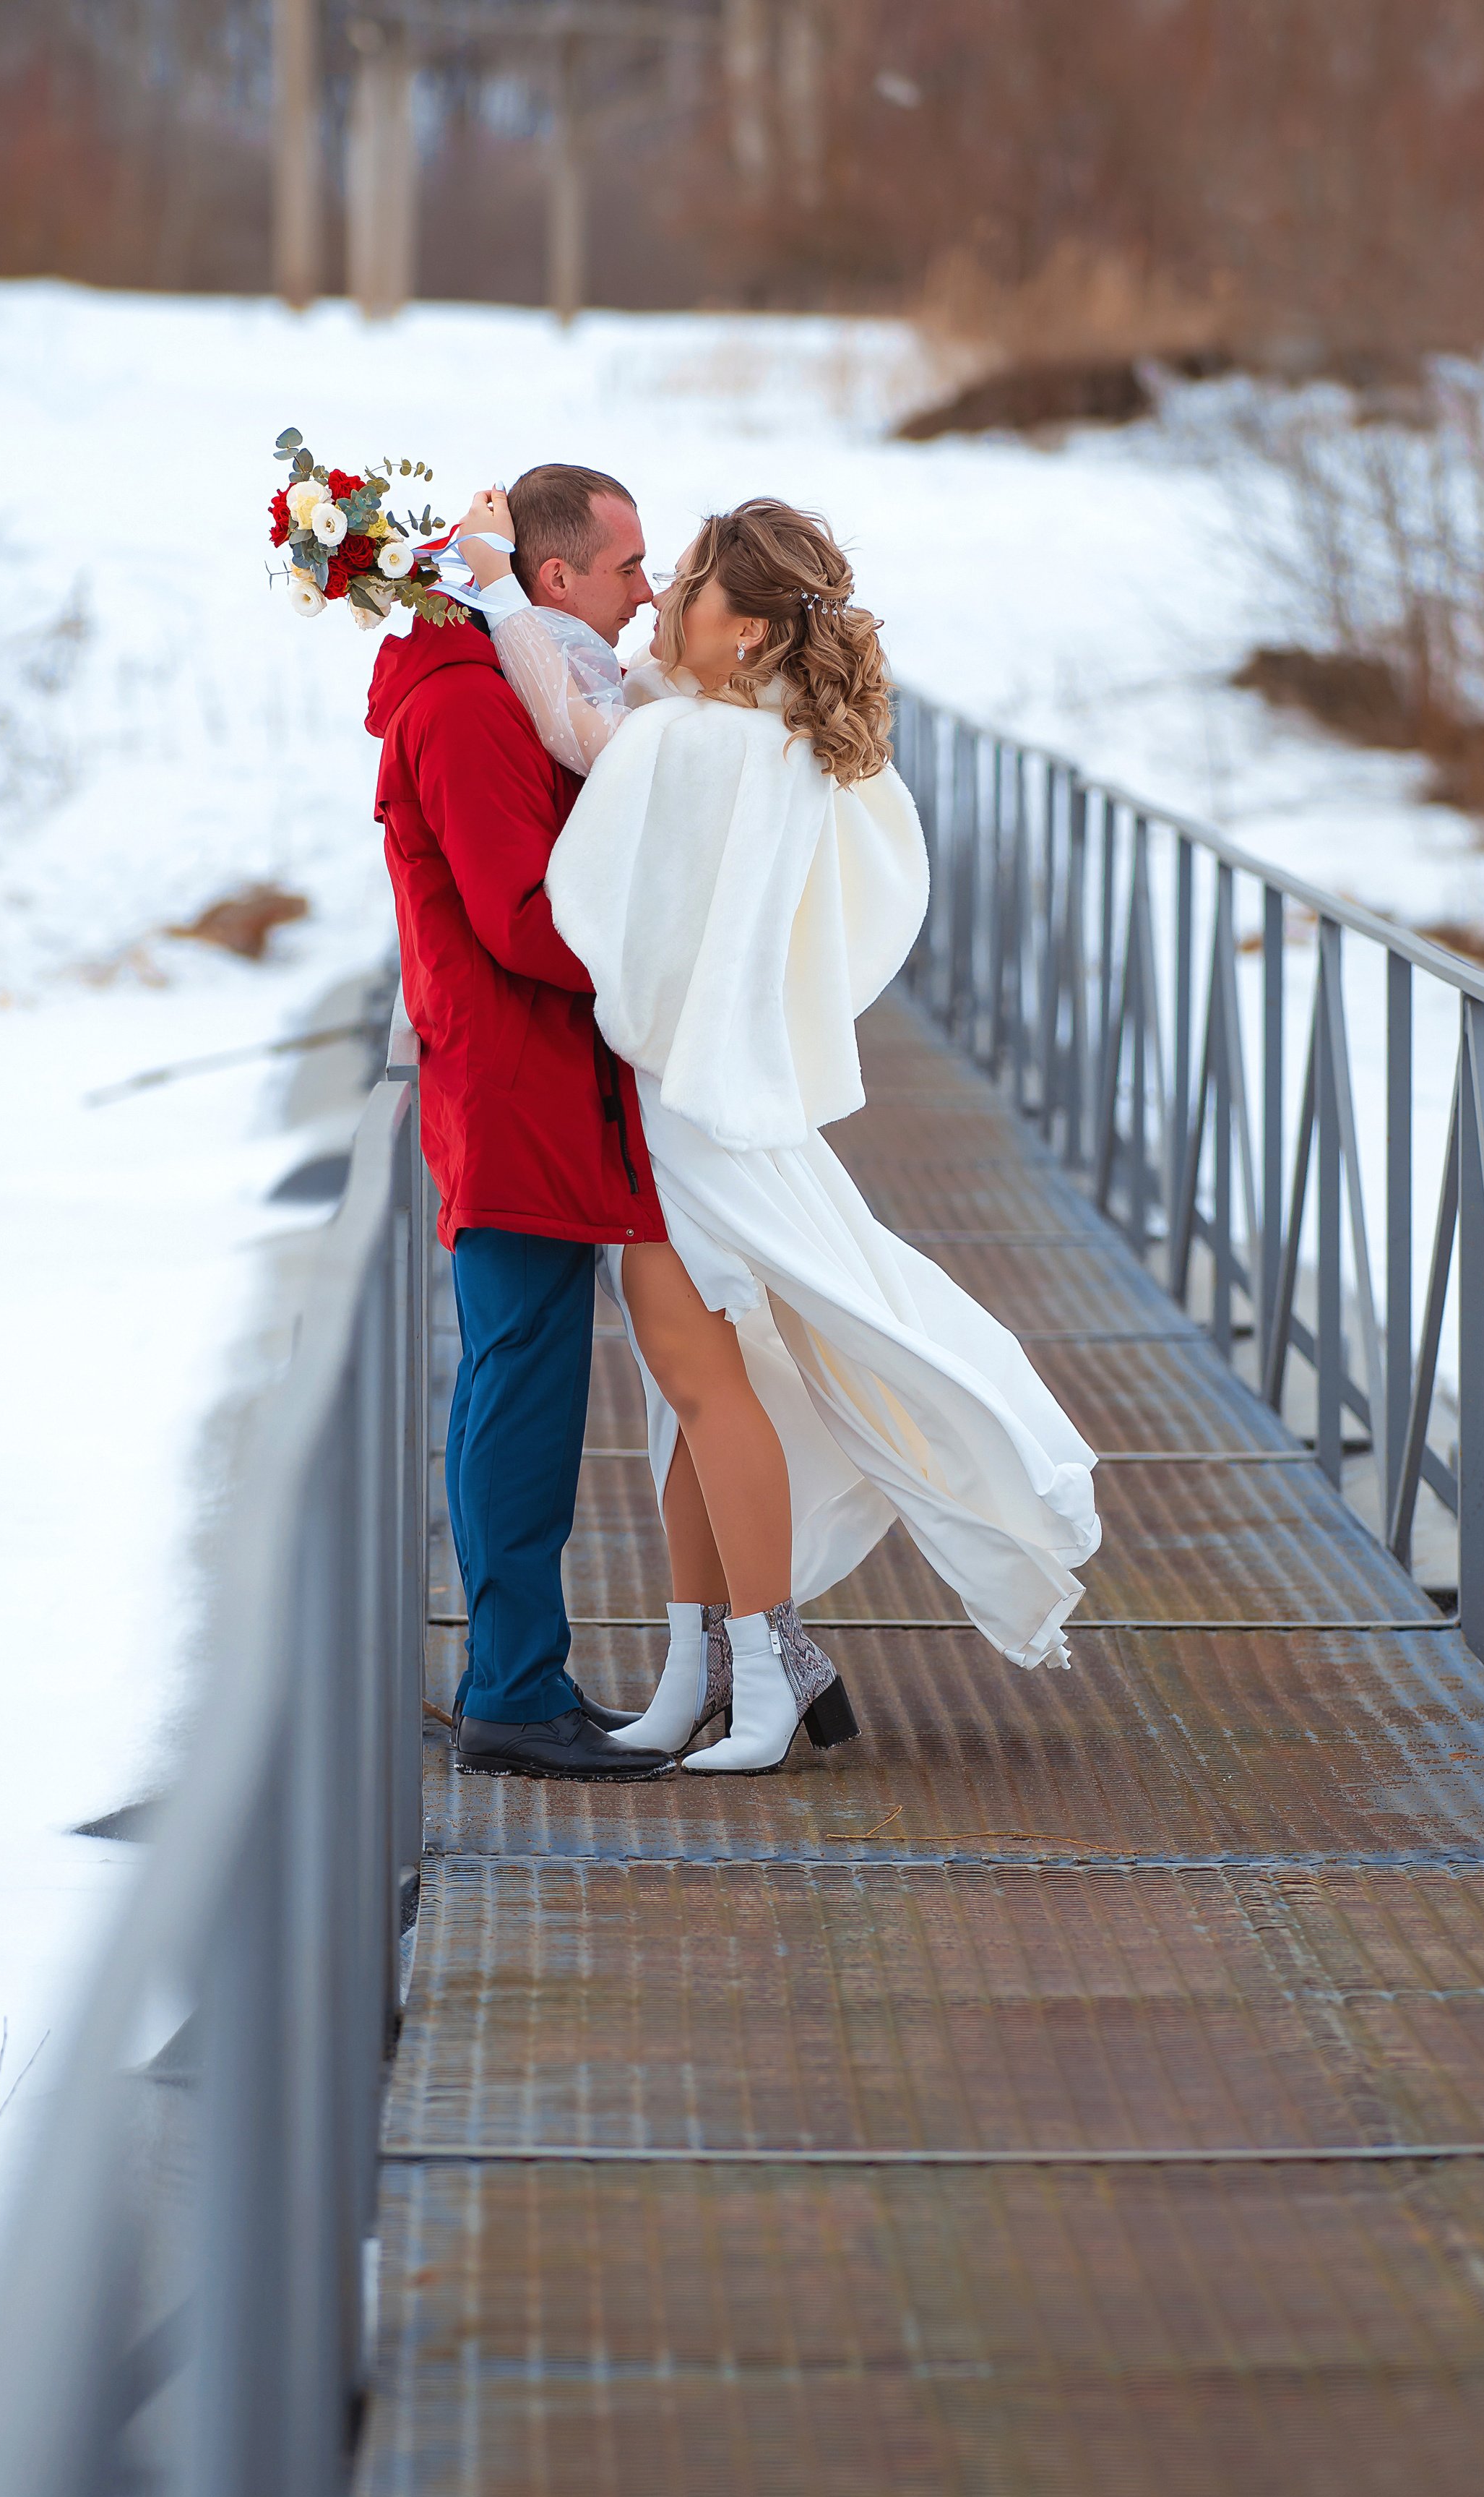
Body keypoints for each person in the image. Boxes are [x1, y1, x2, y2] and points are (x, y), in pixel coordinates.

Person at [433, 490, 1102, 1775]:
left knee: (702, 1388)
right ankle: (706, 1675)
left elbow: (579, 739)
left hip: (687, 1120)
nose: (665, 601)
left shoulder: (697, 748)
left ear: (743, 633)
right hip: (714, 1110)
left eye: (686, 584)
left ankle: (761, 1674)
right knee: (690, 1398)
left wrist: (501, 594)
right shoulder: (762, 734)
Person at [364, 463, 678, 1784]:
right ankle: (512, 1693)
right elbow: (524, 916)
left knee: (521, 1383)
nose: (648, 590)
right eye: (628, 568)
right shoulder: (471, 707)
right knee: (523, 1394)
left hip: (538, 1085)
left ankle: (524, 1675)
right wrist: (676, 954)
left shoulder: (510, 689)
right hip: (512, 1089)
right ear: (554, 581)